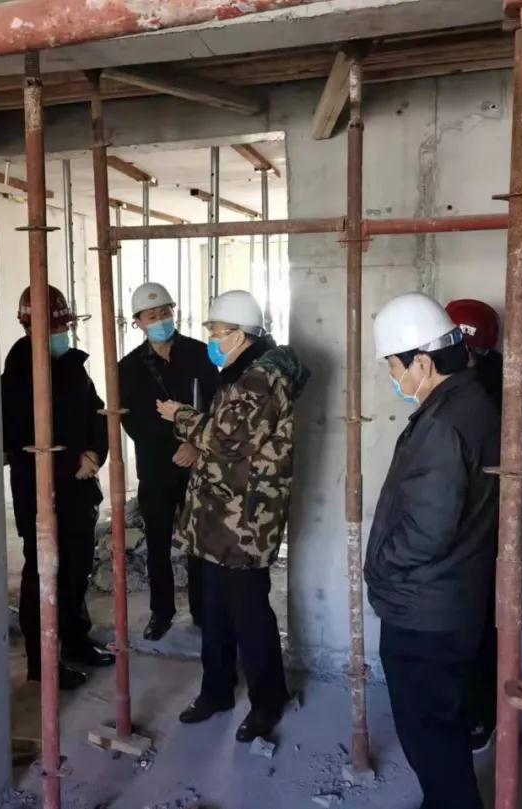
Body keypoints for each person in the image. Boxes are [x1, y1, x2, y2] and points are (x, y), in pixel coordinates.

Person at [364, 292, 500, 809]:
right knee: (441, 723)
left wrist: (380, 565)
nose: (393, 378)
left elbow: (426, 530)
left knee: (428, 731)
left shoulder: (444, 422)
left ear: (422, 362)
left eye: (393, 367)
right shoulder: (470, 402)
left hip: (425, 607)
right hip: (451, 594)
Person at [158, 290, 309, 743]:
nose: (212, 340)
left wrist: (181, 416)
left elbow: (226, 441)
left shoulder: (261, 379)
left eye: (217, 333)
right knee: (216, 610)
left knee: (249, 614)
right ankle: (217, 691)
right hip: (219, 515)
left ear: (240, 335)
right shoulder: (241, 372)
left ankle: (268, 701)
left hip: (245, 520)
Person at [2, 284, 115, 691]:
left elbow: (98, 414)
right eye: (55, 329)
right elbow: (17, 441)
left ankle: (76, 641)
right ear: (29, 328)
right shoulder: (16, 378)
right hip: (41, 494)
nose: (62, 335)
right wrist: (71, 465)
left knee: (76, 570)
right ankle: (43, 661)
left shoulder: (72, 366)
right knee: (43, 575)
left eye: (64, 327)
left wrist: (94, 455)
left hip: (80, 491)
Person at [445, 298, 522, 753]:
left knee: (477, 623)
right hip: (469, 523)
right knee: (467, 621)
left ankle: (481, 714)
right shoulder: (476, 380)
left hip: (478, 526)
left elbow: (516, 462)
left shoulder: (489, 389)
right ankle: (471, 708)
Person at [119, 282, 219, 641]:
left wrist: (194, 444)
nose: (161, 319)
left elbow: (217, 403)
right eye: (152, 315)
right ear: (138, 322)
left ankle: (202, 610)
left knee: (199, 542)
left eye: (165, 312)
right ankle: (161, 612)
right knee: (158, 544)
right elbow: (132, 422)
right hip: (156, 468)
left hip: (198, 464)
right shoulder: (128, 368)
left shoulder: (200, 354)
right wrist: (171, 447)